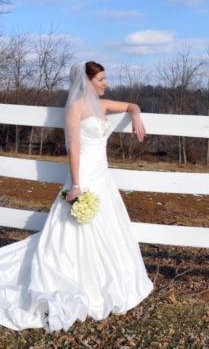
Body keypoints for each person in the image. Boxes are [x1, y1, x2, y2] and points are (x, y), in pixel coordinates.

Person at [0, 61, 153, 332]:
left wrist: (137, 115)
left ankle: (106, 279)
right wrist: (76, 186)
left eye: (105, 79)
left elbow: (131, 106)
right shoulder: (75, 108)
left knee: (109, 229)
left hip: (103, 177)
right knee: (74, 231)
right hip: (84, 177)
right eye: (101, 80)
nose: (105, 83)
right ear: (87, 81)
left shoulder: (101, 105)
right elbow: (74, 150)